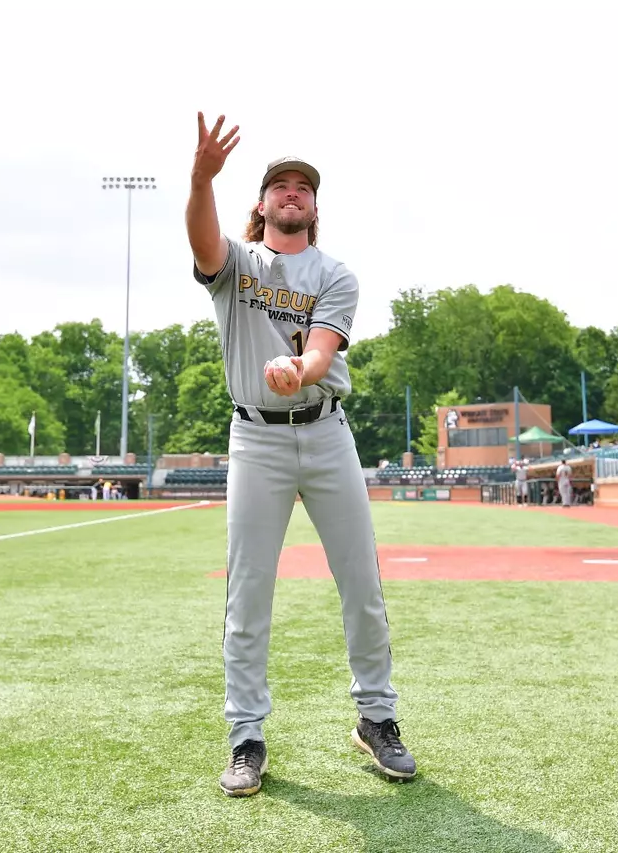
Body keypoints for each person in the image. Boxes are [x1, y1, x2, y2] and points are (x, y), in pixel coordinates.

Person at [186, 113, 415, 798]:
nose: (292, 193)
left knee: (361, 583)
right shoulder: (237, 264)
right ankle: (246, 735)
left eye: (303, 188)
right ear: (261, 204)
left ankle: (377, 717)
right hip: (255, 437)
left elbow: (319, 349)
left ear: (315, 208)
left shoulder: (334, 273)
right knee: (249, 590)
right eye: (280, 186)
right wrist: (201, 179)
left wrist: (301, 371)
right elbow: (202, 243)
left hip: (325, 430)